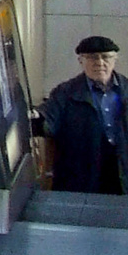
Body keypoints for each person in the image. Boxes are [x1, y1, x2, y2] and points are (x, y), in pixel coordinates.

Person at [38, 35, 128, 194]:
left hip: (122, 172)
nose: (100, 63)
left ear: (115, 60)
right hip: (81, 174)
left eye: (106, 57)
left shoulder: (125, 90)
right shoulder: (65, 93)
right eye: (92, 58)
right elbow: (48, 120)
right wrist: (35, 117)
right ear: (81, 61)